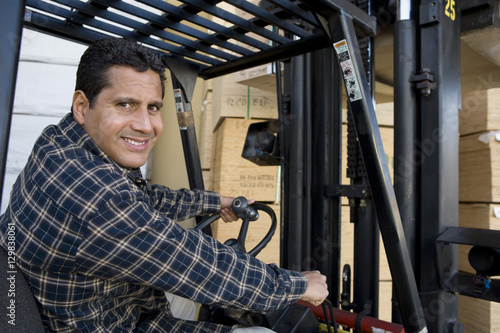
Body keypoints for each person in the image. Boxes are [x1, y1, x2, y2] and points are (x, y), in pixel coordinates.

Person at [0, 37, 328, 332]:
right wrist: (295, 284)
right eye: (125, 104)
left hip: (102, 300)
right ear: (83, 106)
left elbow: (144, 199)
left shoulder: (61, 144)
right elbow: (197, 263)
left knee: (198, 298)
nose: (145, 126)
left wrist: (213, 202)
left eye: (153, 107)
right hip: (116, 323)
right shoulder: (97, 199)